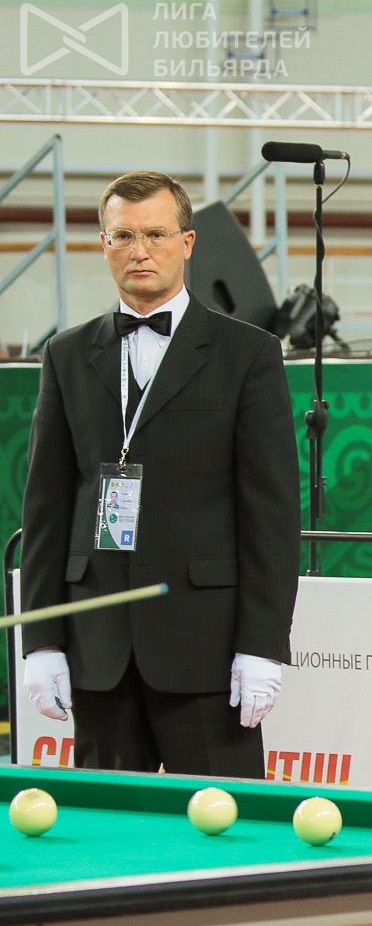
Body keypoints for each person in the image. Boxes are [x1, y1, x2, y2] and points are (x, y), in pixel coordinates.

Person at [19, 170, 299, 777]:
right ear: (104, 245)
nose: (139, 250)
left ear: (187, 242)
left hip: (207, 650)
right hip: (98, 651)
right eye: (122, 236)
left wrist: (262, 645)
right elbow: (46, 507)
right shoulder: (66, 355)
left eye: (155, 234)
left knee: (225, 823)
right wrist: (41, 639)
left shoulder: (248, 353)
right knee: (109, 828)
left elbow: (271, 516)